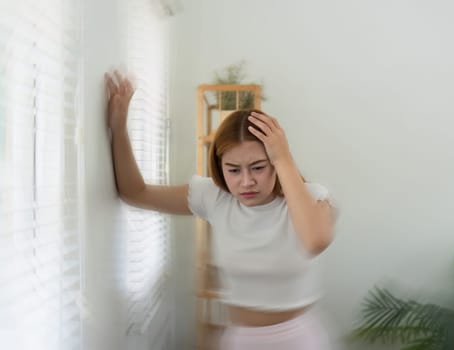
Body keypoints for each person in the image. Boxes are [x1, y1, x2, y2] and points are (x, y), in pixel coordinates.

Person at [105, 70, 338, 350]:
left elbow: (316, 240)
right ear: (220, 167)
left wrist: (283, 156)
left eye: (259, 167)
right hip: (241, 340)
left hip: (299, 340)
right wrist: (119, 130)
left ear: (275, 163)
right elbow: (135, 192)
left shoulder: (311, 197)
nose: (246, 181)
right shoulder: (214, 197)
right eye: (233, 170)